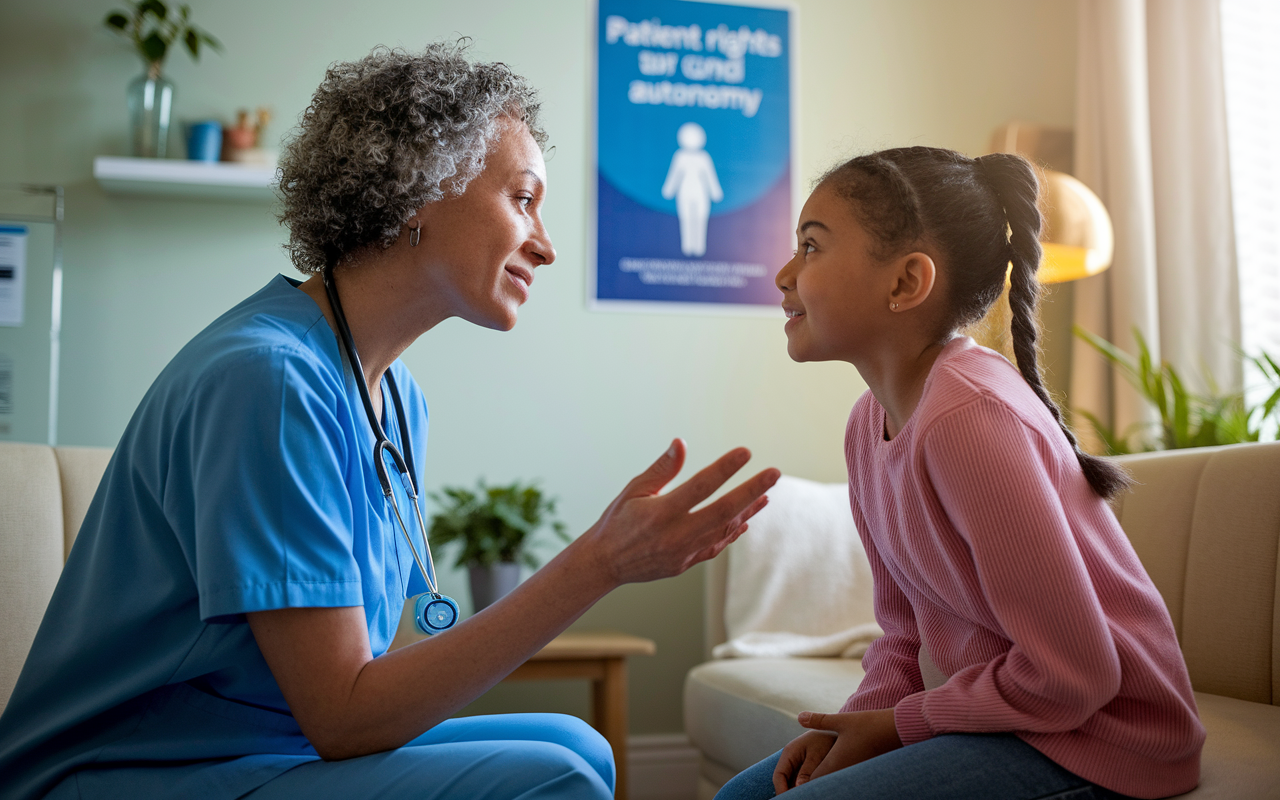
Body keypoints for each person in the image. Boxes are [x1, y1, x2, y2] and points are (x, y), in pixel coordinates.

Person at [0, 44, 779, 800]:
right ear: (419, 189)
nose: (544, 246)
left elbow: (379, 671)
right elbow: (344, 715)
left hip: (261, 747)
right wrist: (599, 565)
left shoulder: (397, 397)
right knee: (559, 776)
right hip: (124, 771)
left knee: (578, 746)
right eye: (524, 199)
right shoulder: (268, 381)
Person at [716, 147, 1204, 800]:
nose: (783, 274)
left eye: (811, 247)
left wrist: (901, 725)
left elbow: (1075, 677)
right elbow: (903, 633)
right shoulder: (868, 427)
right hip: (1016, 726)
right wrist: (857, 725)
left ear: (906, 283)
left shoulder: (971, 418)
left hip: (1103, 744)